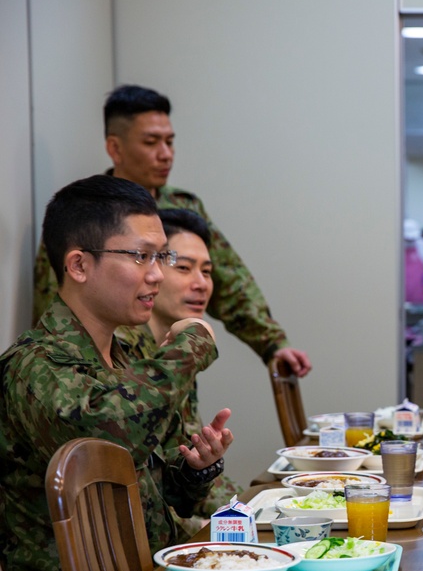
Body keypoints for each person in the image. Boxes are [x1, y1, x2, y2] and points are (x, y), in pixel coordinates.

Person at [1, 175, 236, 571]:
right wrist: (190, 345)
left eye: (161, 257)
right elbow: (111, 433)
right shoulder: (34, 366)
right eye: (140, 256)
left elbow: (151, 487)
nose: (156, 274)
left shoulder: (126, 355)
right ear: (79, 264)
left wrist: (195, 470)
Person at [31, 84, 311, 376]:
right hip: (105, 372)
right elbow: (57, 304)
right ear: (115, 148)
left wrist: (271, 343)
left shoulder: (183, 206)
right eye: (151, 142)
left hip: (168, 360)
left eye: (169, 142)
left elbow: (231, 283)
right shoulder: (86, 213)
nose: (165, 154)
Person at [117, 208, 242, 537]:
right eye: (184, 268)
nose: (201, 284)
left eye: (207, 271)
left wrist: (243, 510)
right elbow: (136, 491)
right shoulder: (124, 353)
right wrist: (207, 529)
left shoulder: (172, 348)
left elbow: (181, 468)